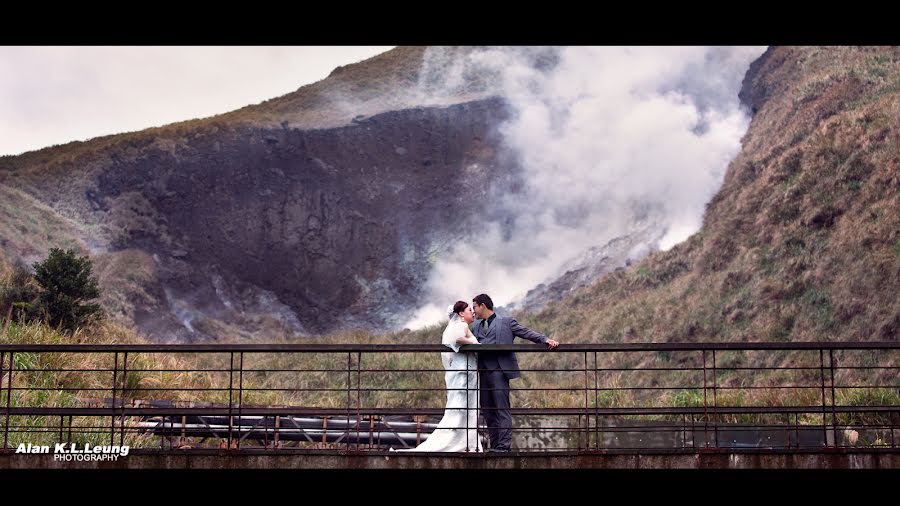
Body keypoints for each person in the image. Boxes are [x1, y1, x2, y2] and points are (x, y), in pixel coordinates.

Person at [472, 293, 559, 452]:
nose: (473, 311)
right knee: (488, 412)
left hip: (499, 371)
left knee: (501, 410)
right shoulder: (476, 326)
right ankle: (495, 445)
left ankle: (504, 447)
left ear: (483, 306)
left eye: (475, 307)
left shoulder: (506, 322)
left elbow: (526, 333)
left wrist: (544, 339)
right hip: (483, 373)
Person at [392, 301, 482, 452]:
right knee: (462, 407)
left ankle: (465, 440)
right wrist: (474, 344)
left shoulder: (457, 326)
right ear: (461, 314)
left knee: (461, 407)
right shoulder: (461, 325)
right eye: (469, 310)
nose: (472, 312)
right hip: (463, 373)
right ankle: (461, 441)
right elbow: (457, 339)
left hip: (463, 371)